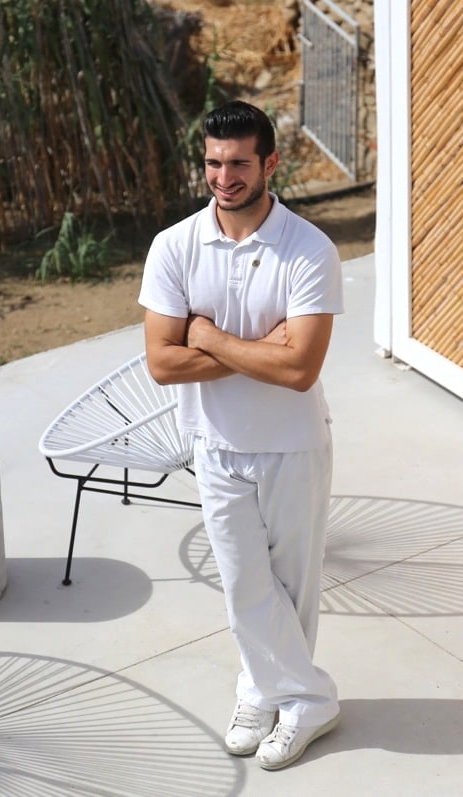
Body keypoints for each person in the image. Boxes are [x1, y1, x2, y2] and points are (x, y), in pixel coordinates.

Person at [138, 100, 343, 770]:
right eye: (213, 162)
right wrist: (260, 348)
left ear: (270, 163)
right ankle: (300, 696)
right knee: (242, 585)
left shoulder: (308, 250)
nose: (224, 177)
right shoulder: (173, 247)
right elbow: (162, 363)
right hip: (216, 443)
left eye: (239, 163)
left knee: (290, 590)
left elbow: (300, 370)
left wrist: (206, 335)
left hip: (293, 445)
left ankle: (273, 695)